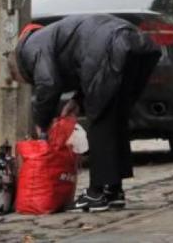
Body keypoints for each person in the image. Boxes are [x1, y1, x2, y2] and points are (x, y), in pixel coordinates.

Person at [9, 14, 160, 212]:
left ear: (19, 71)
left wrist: (42, 122)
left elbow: (48, 84)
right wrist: (77, 101)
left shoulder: (31, 49)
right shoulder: (48, 39)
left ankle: (96, 192)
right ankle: (113, 191)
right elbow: (88, 64)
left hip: (112, 45)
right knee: (115, 116)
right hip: (137, 45)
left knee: (99, 117)